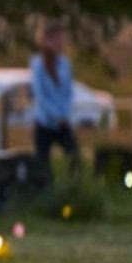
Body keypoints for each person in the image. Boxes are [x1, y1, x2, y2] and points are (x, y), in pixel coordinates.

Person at [31, 21, 78, 177]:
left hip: (63, 121)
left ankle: (73, 188)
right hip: (45, 122)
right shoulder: (38, 64)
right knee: (43, 165)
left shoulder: (65, 64)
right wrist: (55, 115)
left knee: (74, 156)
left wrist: (64, 114)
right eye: (56, 40)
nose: (60, 43)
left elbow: (68, 92)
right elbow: (40, 95)